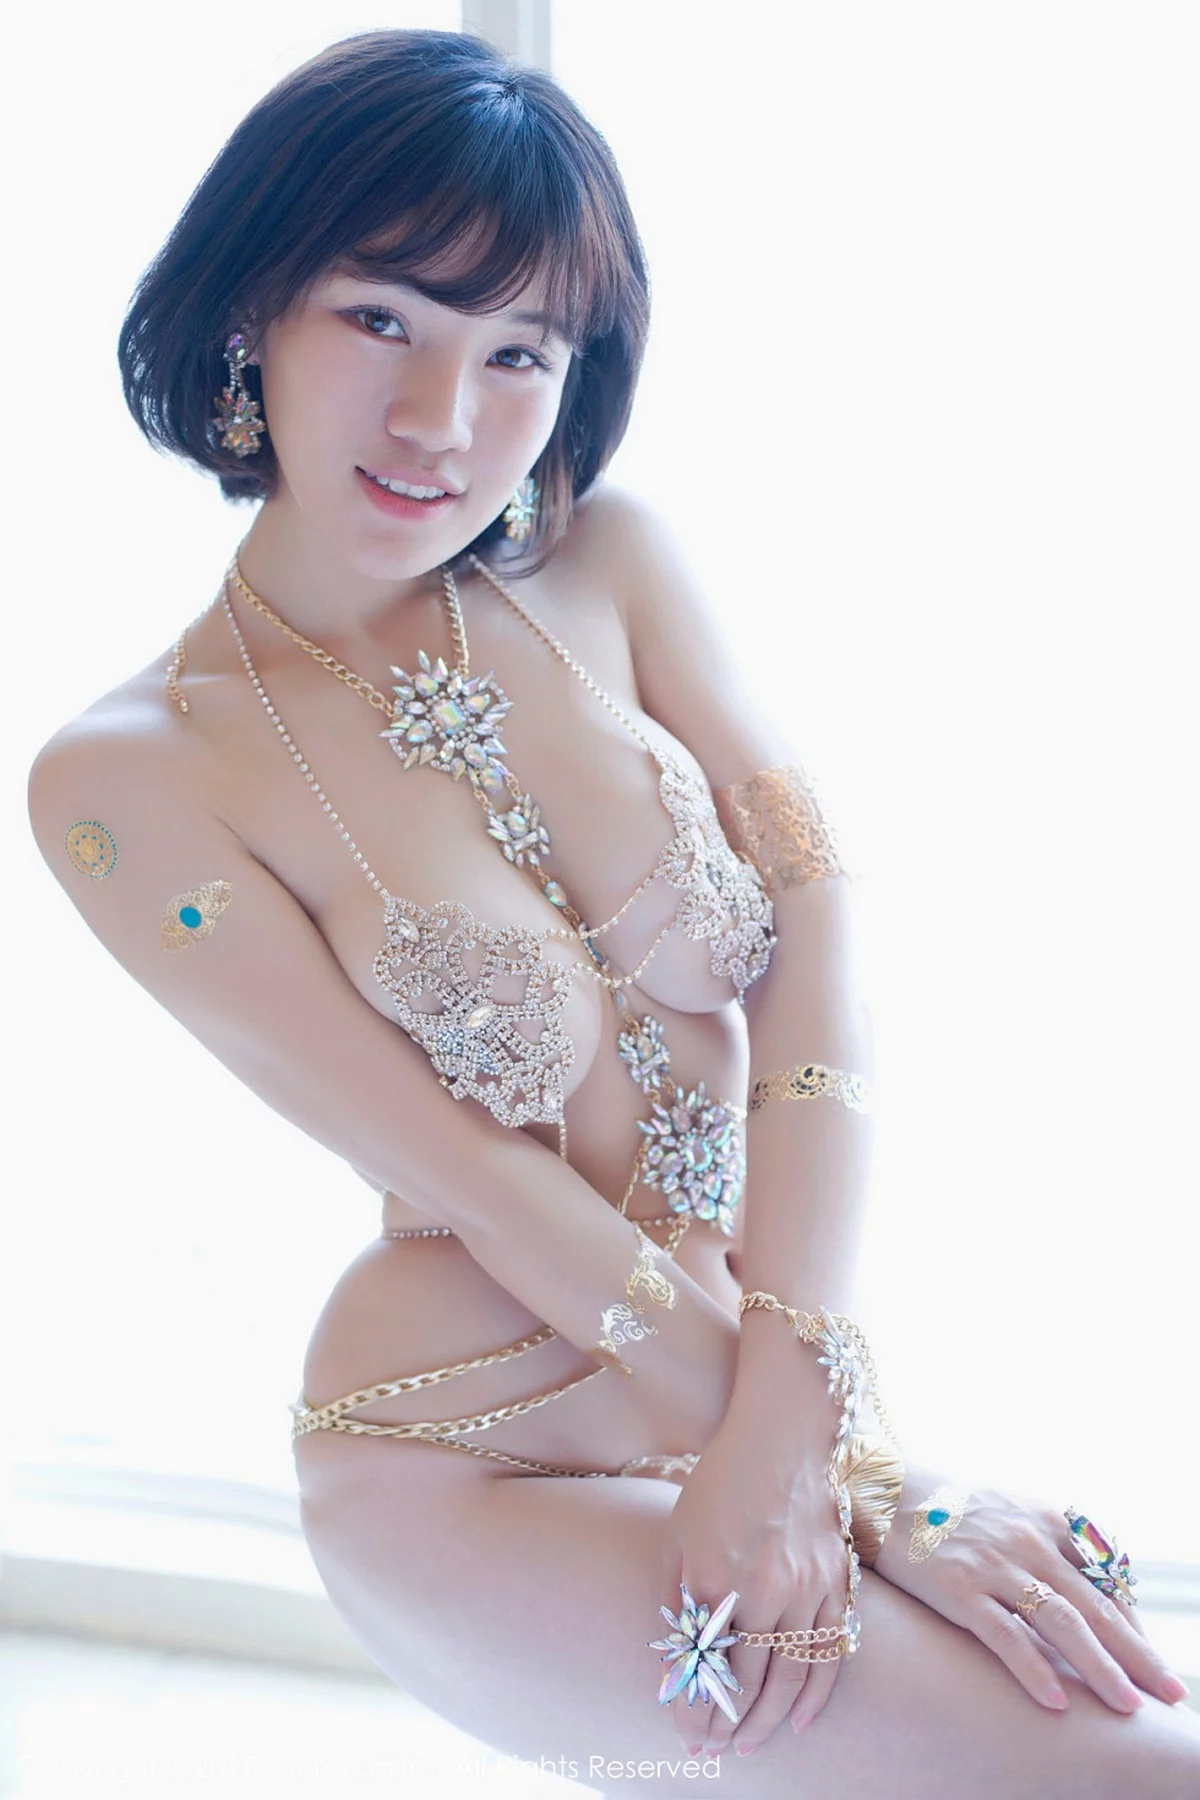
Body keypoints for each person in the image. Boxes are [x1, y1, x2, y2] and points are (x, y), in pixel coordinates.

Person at [26, 27, 1199, 1796]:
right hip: (469, 1456)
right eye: (382, 319)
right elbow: (471, 1172)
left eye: (519, 351)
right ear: (252, 309)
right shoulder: (128, 784)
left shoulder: (616, 563)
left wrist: (830, 1436)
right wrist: (874, 1482)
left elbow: (820, 925)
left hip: (760, 1390)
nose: (444, 420)